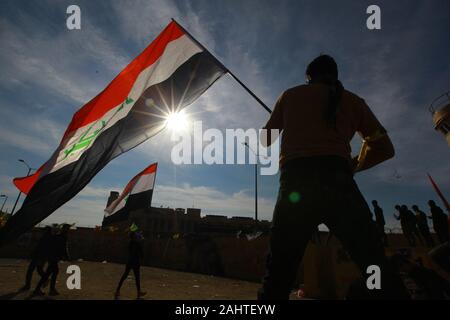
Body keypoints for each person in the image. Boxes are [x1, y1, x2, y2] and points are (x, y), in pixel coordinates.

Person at [259, 54, 409, 299]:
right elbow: (384, 148)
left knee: (279, 270)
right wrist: (354, 166)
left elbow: (265, 140)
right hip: (339, 182)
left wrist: (283, 120)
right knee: (373, 263)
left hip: (296, 182)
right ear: (335, 76)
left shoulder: (290, 95)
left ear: (309, 76)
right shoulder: (353, 102)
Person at [33, 224, 70, 296]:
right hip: (53, 257)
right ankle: (49, 289)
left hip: (52, 257)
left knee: (49, 273)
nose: (68, 230)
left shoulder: (58, 236)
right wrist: (67, 257)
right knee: (52, 272)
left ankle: (45, 289)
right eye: (67, 228)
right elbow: (63, 248)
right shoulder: (62, 237)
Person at [115, 231, 146, 299]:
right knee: (137, 278)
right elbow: (142, 254)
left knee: (125, 275)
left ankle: (117, 290)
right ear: (134, 237)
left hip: (130, 261)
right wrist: (141, 242)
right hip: (136, 262)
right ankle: (138, 292)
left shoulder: (130, 243)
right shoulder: (137, 244)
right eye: (136, 235)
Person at [19, 226, 52, 292]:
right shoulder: (48, 238)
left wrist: (34, 255)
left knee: (31, 271)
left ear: (46, 231)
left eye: (44, 230)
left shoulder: (45, 238)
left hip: (39, 257)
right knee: (39, 270)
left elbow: (40, 248)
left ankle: (28, 285)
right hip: (41, 257)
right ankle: (45, 279)